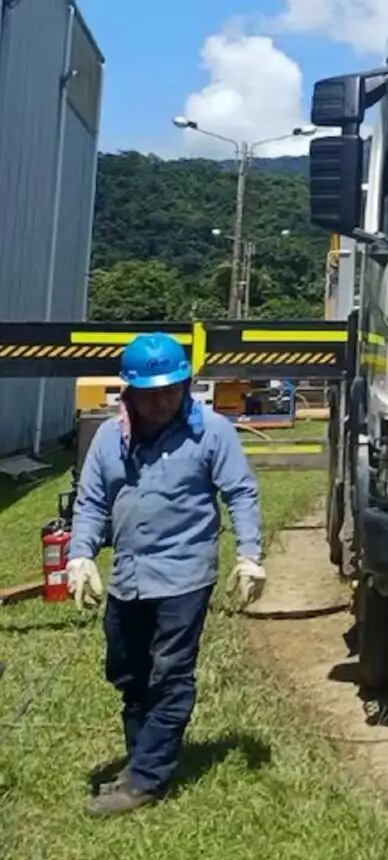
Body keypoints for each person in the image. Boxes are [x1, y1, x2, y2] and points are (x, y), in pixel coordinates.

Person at [67, 333, 266, 817]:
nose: (161, 402)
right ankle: (140, 759)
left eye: (171, 390)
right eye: (150, 392)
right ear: (128, 392)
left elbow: (240, 492)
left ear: (186, 385)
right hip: (130, 576)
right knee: (128, 670)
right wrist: (81, 555)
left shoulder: (212, 432)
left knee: (170, 673)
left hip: (184, 575)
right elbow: (92, 502)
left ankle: (146, 779)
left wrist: (249, 554)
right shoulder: (109, 439)